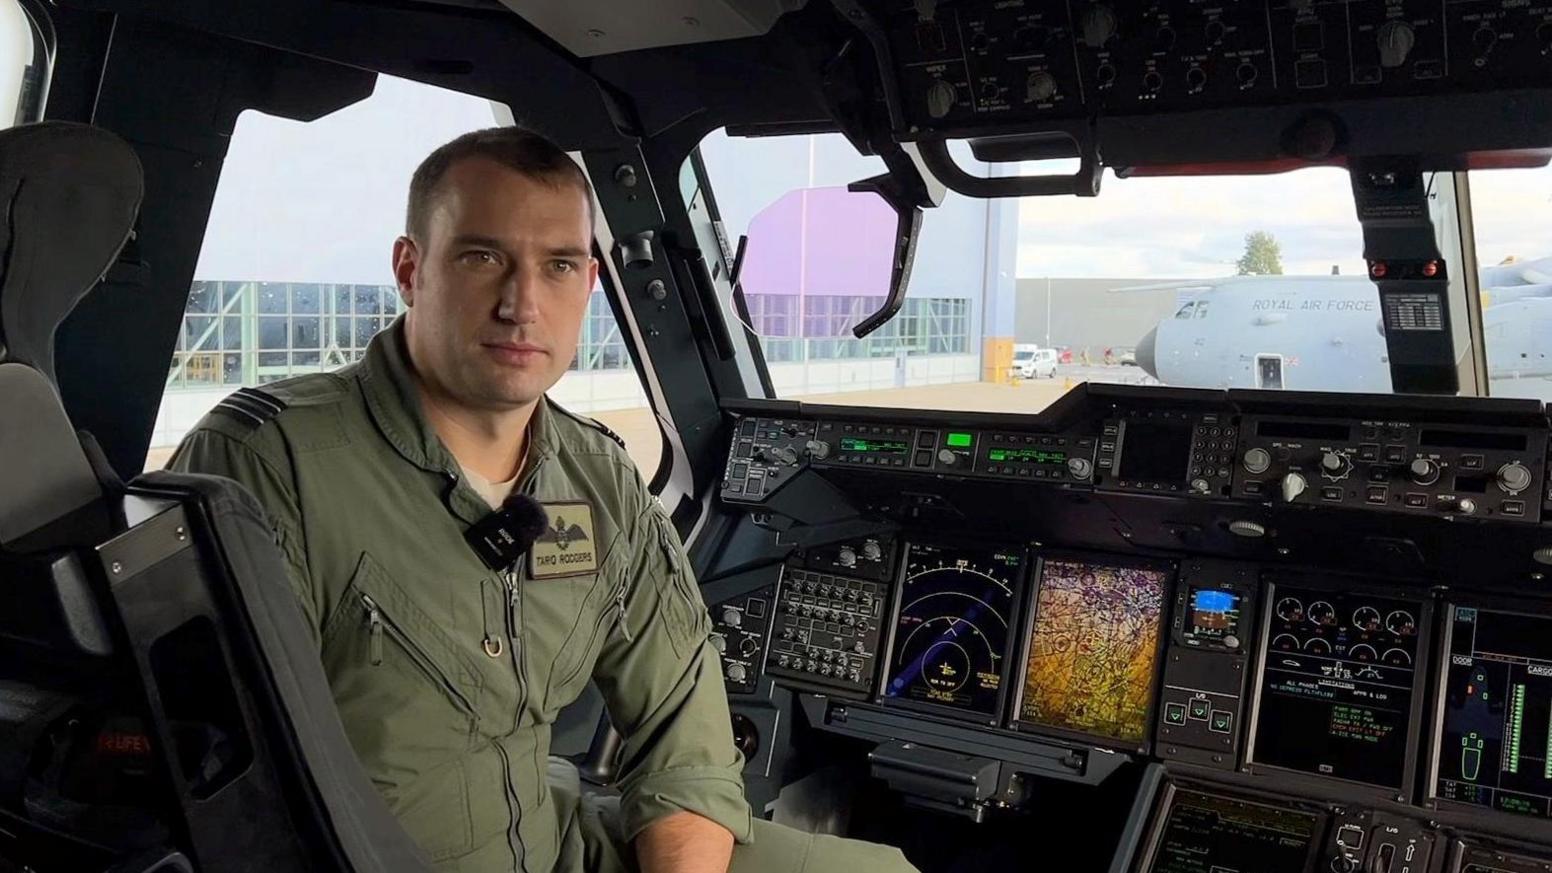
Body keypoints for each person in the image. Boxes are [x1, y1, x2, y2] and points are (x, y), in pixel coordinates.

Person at [169, 128, 917, 873]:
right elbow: (227, 798)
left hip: (550, 838)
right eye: (483, 256)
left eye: (557, 265)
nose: (522, 303)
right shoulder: (268, 463)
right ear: (410, 268)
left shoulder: (597, 476)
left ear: (590, 282)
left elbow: (681, 724)